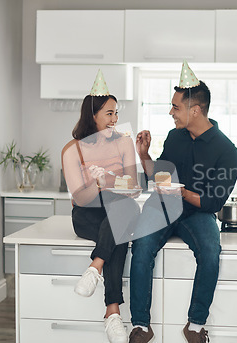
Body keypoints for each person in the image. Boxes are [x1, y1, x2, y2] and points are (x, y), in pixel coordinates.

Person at [128, 61, 237, 343]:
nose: (171, 112)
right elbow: (161, 177)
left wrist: (183, 193)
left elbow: (213, 202)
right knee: (141, 246)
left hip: (197, 213)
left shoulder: (227, 150)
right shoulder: (174, 137)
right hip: (162, 206)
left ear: (195, 110)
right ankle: (141, 325)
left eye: (175, 107)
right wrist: (144, 156)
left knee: (210, 252)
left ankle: (196, 324)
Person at [61, 70, 141, 343]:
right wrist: (97, 184)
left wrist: (109, 179)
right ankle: (112, 314)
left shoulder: (123, 141)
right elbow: (80, 199)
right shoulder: (72, 149)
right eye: (109, 113)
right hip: (86, 215)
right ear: (92, 115)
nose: (115, 119)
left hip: (119, 208)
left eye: (116, 113)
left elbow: (134, 188)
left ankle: (95, 271)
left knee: (125, 210)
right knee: (119, 230)